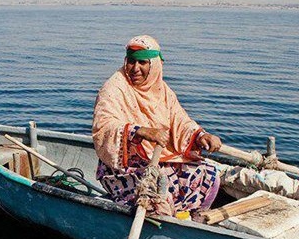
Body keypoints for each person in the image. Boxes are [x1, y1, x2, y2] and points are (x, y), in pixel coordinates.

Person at [92, 35, 224, 217]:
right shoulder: (114, 88)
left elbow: (180, 121)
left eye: (142, 63)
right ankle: (164, 219)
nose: (135, 69)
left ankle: (190, 217)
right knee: (159, 191)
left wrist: (201, 136)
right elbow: (105, 125)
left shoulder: (162, 90)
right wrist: (141, 132)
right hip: (123, 167)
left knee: (207, 173)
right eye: (131, 62)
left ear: (154, 65)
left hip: (157, 158)